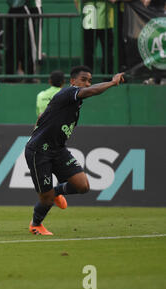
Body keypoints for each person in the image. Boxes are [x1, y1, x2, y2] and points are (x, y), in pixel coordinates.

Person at [24, 65, 124, 235]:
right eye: (83, 80)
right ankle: (36, 224)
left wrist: (43, 122)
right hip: (39, 151)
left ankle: (56, 192)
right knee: (46, 199)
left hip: (58, 150)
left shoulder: (73, 103)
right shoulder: (68, 92)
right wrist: (112, 82)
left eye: (89, 81)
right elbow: (91, 92)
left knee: (82, 186)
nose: (87, 84)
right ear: (72, 81)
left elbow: (43, 116)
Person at [74, 0, 115, 75]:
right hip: (88, 21)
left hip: (106, 22)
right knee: (88, 51)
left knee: (107, 51)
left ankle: (107, 76)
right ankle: (86, 76)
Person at [5, 0, 43, 80]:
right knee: (12, 45)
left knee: (30, 44)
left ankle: (31, 75)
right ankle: (10, 76)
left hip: (30, 9)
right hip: (15, 9)